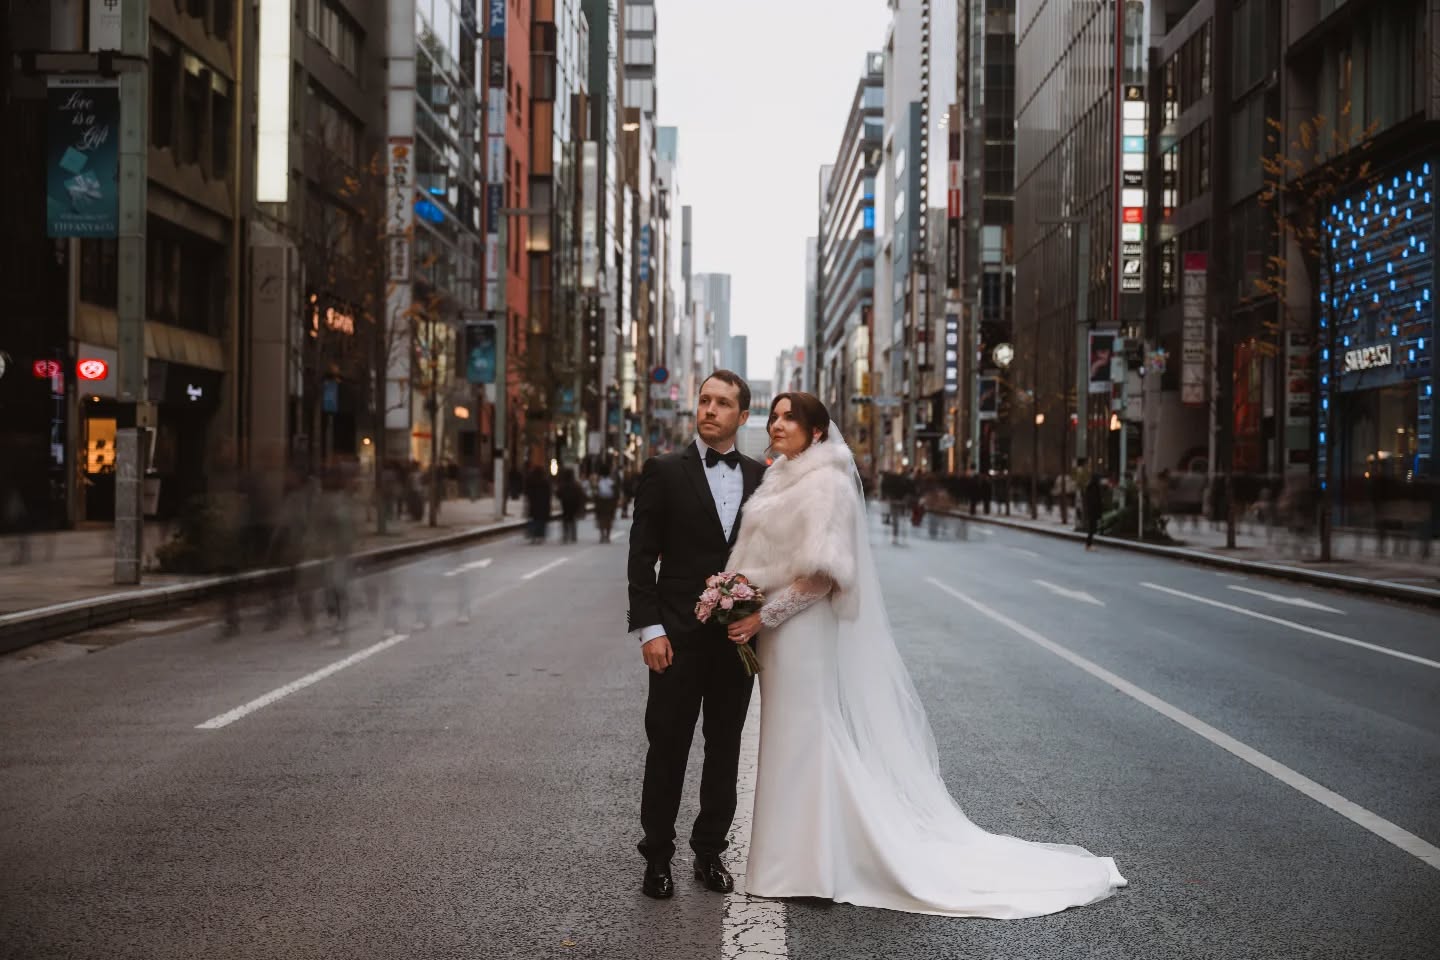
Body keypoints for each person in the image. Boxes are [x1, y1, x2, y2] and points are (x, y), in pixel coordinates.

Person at [722, 391, 1125, 918]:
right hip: (776, 631)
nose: (776, 425)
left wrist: (762, 616)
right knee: (790, 737)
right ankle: (796, 859)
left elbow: (822, 578)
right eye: (773, 417)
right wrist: (736, 597)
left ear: (816, 432)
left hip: (801, 628)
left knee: (808, 735)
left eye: (788, 418)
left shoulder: (824, 483)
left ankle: (811, 865)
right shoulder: (780, 478)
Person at [626, 370, 766, 900]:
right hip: (676, 639)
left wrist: (761, 615)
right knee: (667, 749)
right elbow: (641, 558)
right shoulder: (663, 471)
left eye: (723, 403)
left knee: (725, 750)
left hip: (736, 642)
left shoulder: (760, 477)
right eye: (704, 400)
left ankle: (710, 852)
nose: (709, 410)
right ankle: (656, 856)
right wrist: (650, 630)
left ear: (742, 416)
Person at [524, 465, 552, 544]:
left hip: (533, 504)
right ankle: (540, 536)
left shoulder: (530, 480)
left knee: (534, 520)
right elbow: (548, 494)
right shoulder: (545, 481)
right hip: (543, 504)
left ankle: (533, 536)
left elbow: (526, 492)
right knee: (541, 521)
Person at [555, 468, 584, 544]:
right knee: (573, 519)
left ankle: (565, 535)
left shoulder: (563, 484)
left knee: (565, 519)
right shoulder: (575, 484)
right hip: (574, 504)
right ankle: (573, 535)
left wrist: (562, 497)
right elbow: (580, 494)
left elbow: (558, 493)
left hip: (565, 503)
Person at [592, 469, 619, 543]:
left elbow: (596, 494)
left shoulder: (599, 483)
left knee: (601, 519)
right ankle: (607, 535)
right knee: (609, 519)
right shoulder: (611, 482)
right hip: (610, 503)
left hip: (601, 503)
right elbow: (616, 494)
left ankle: (602, 535)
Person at [1083, 472, 1105, 550]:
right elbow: (1094, 500)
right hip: (1093, 511)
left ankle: (1089, 544)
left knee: (1093, 528)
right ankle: (1088, 544)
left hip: (1092, 510)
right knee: (1092, 528)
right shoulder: (1093, 487)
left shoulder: (1092, 487)